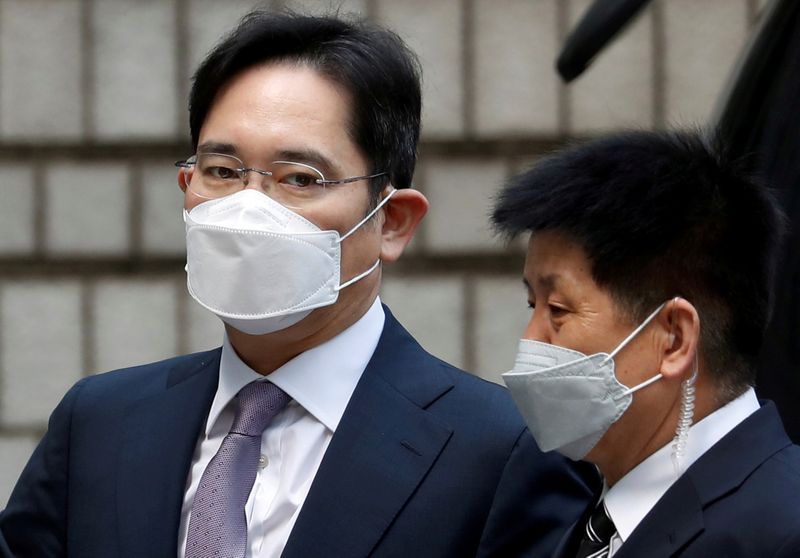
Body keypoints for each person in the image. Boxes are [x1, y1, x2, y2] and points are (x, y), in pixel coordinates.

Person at [0, 10, 596, 558]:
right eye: (222, 171)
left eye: (300, 177)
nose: (249, 207)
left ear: (392, 222)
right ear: (187, 186)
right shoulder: (100, 424)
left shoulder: (503, 453)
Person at [492, 129, 800, 557]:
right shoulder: (580, 516)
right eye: (532, 304)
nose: (531, 339)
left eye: (558, 309)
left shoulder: (781, 531)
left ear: (674, 338)